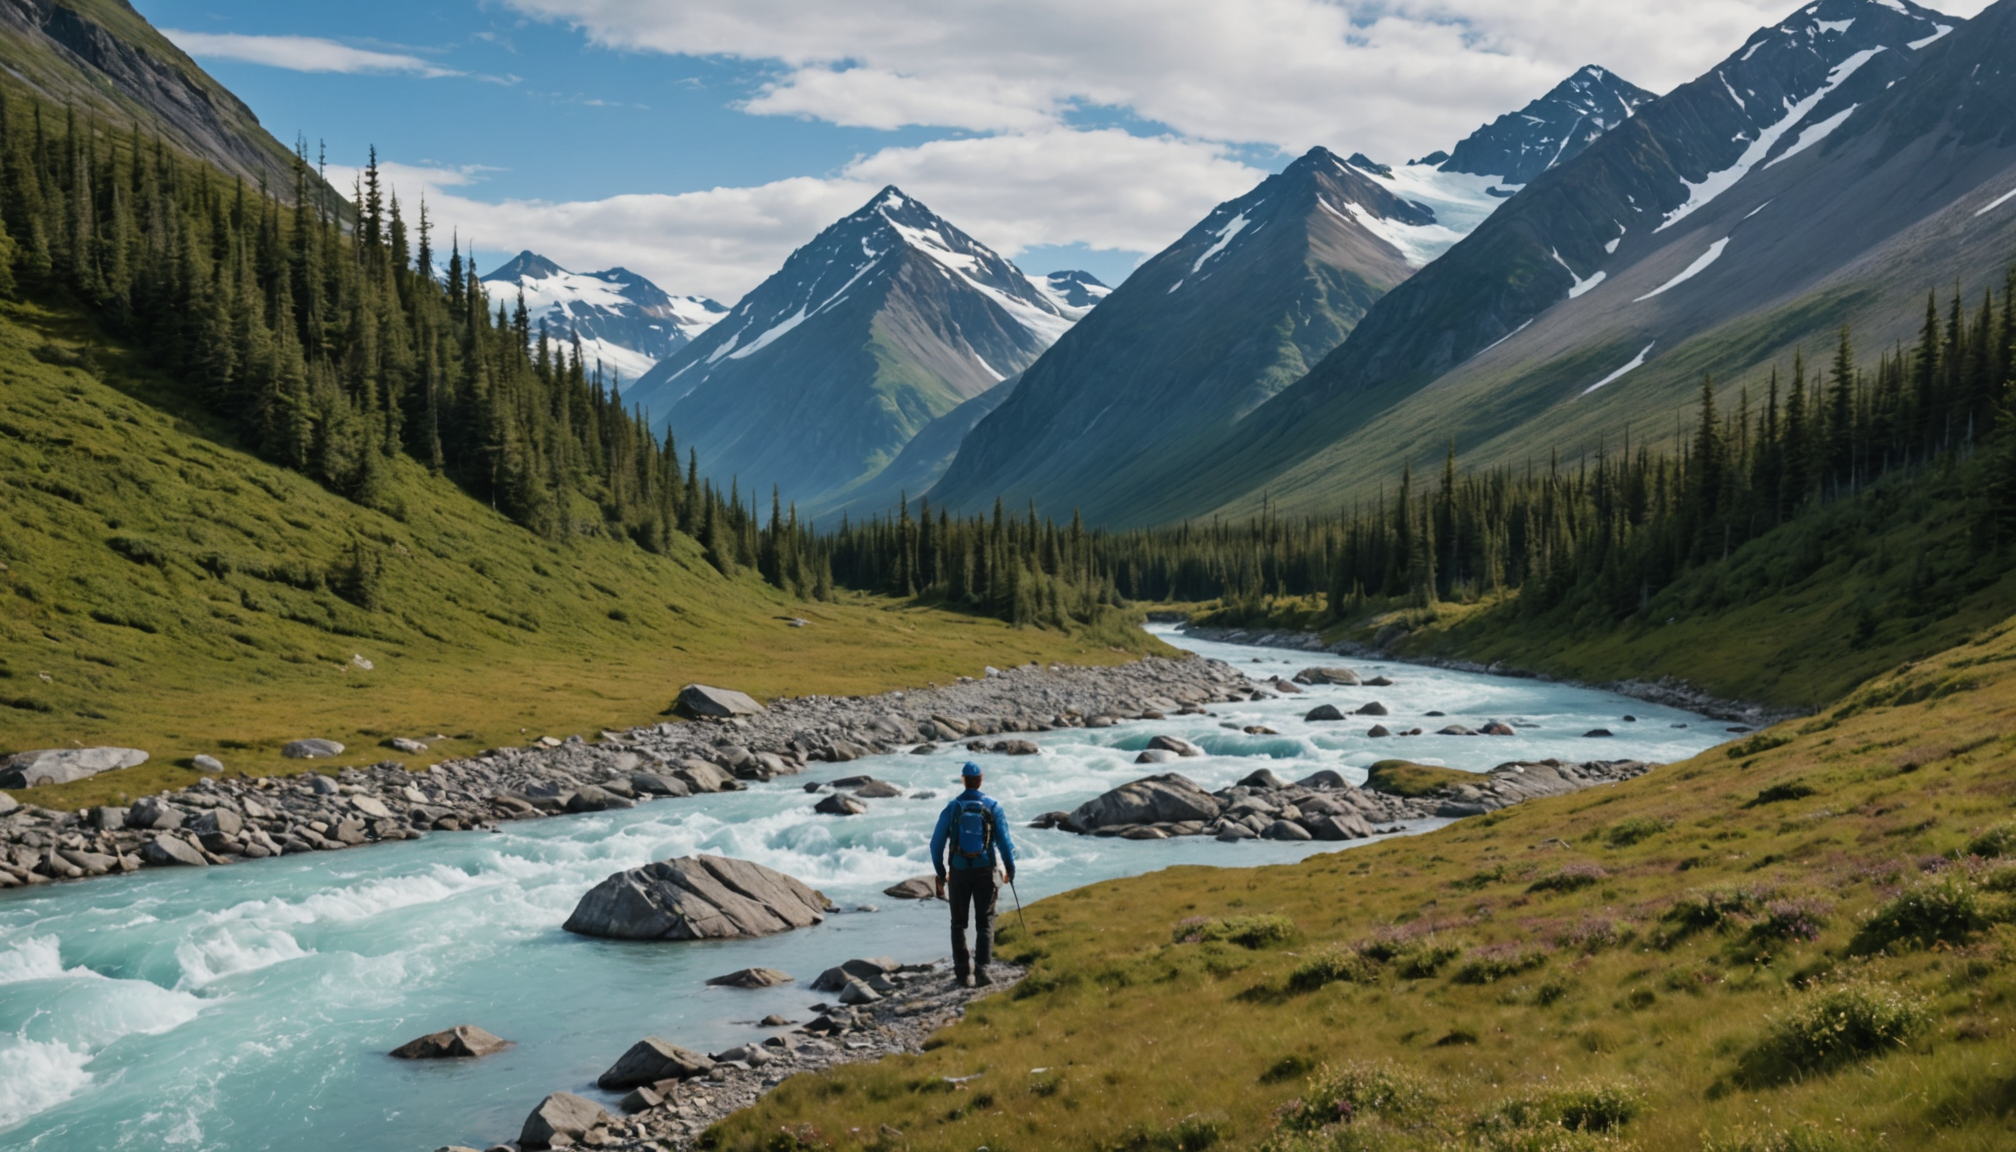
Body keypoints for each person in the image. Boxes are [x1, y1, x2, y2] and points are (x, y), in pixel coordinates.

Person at [930, 763, 1017, 986]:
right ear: (980, 779)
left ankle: (961, 974)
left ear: (963, 780)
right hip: (985, 871)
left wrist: (942, 872)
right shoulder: (993, 806)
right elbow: (1005, 844)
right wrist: (1010, 869)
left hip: (958, 872)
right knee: (985, 920)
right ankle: (982, 971)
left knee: (958, 923)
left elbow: (935, 844)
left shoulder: (953, 807)